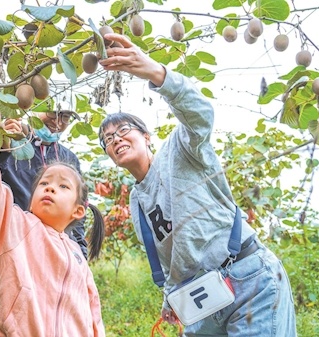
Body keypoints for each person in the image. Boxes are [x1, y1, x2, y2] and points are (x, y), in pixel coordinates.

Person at [97, 33, 296, 336]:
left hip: (247, 278)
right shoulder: (137, 202)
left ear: (146, 136)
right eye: (108, 140)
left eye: (124, 130)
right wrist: (170, 299)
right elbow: (168, 259)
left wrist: (156, 73)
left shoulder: (181, 148)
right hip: (203, 299)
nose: (116, 140)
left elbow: (201, 115)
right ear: (111, 155)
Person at [0, 89, 106, 336]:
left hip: (60, 251)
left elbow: (92, 314)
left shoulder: (68, 157)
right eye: (54, 113)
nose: (58, 121)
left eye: (65, 117)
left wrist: (79, 256)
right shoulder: (8, 140)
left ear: (78, 210)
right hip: (10, 244)